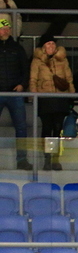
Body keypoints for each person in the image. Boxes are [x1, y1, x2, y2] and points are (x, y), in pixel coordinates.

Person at [29, 34, 74, 171]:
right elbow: (33, 80)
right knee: (47, 128)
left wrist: (72, 95)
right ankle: (47, 159)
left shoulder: (63, 59)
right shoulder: (37, 61)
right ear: (43, 46)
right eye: (48, 43)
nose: (51, 46)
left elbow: (69, 78)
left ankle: (56, 159)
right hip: (45, 99)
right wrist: (33, 96)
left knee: (58, 128)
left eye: (53, 43)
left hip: (60, 98)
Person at [0, 15, 32, 170]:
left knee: (21, 127)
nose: (5, 31)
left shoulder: (17, 48)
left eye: (7, 28)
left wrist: (22, 85)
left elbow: (25, 69)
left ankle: (22, 160)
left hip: (15, 93)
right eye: (2, 28)